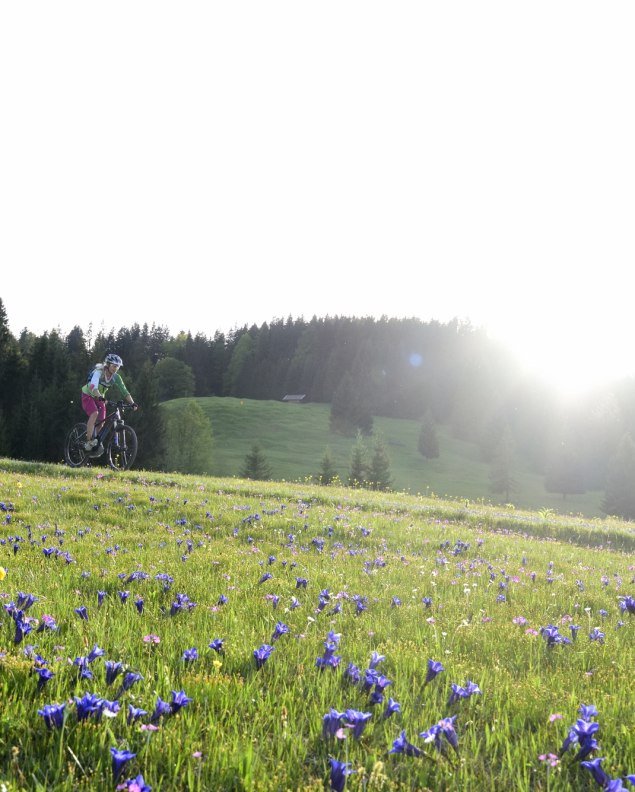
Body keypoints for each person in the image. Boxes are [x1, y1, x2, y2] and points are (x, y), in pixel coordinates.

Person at [81, 353, 137, 452]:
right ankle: (88, 441)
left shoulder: (116, 377)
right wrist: (99, 396)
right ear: (108, 364)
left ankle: (94, 441)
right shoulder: (99, 372)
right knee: (94, 413)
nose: (116, 368)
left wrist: (133, 403)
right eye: (114, 366)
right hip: (88, 394)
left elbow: (124, 391)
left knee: (101, 421)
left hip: (100, 398)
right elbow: (93, 386)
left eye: (118, 367)